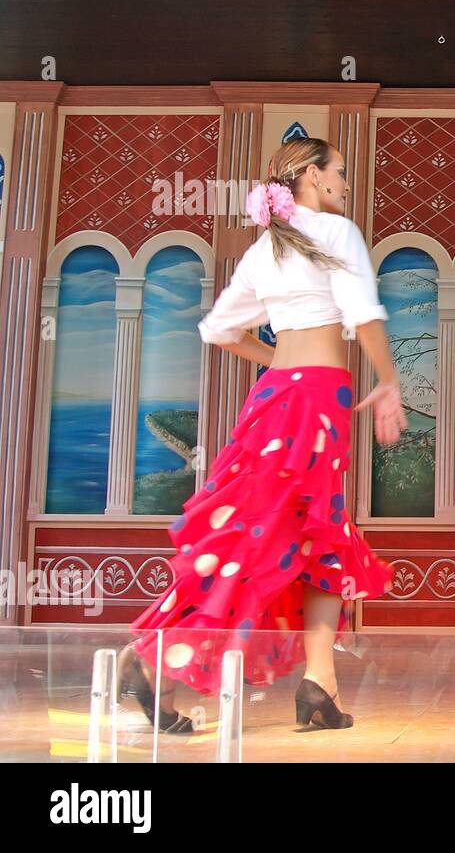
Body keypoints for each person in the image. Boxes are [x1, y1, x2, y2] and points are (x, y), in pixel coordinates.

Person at [122, 137, 408, 732]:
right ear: (312, 176)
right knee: (272, 536)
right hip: (317, 399)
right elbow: (364, 314)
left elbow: (220, 330)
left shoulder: (265, 250)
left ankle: (319, 683)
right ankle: (156, 665)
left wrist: (277, 362)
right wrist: (388, 379)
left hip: (278, 395)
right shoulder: (337, 233)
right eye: (341, 171)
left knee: (310, 534)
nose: (347, 183)